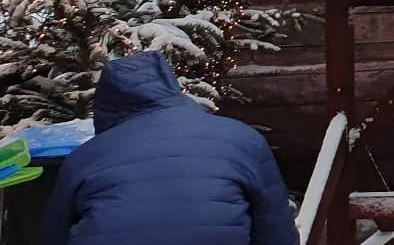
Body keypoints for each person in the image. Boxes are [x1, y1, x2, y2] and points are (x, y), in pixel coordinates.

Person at [42, 51, 297, 245]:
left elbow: (54, 235)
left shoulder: (84, 158)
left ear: (106, 105)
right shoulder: (242, 138)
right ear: (173, 90)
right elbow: (277, 233)